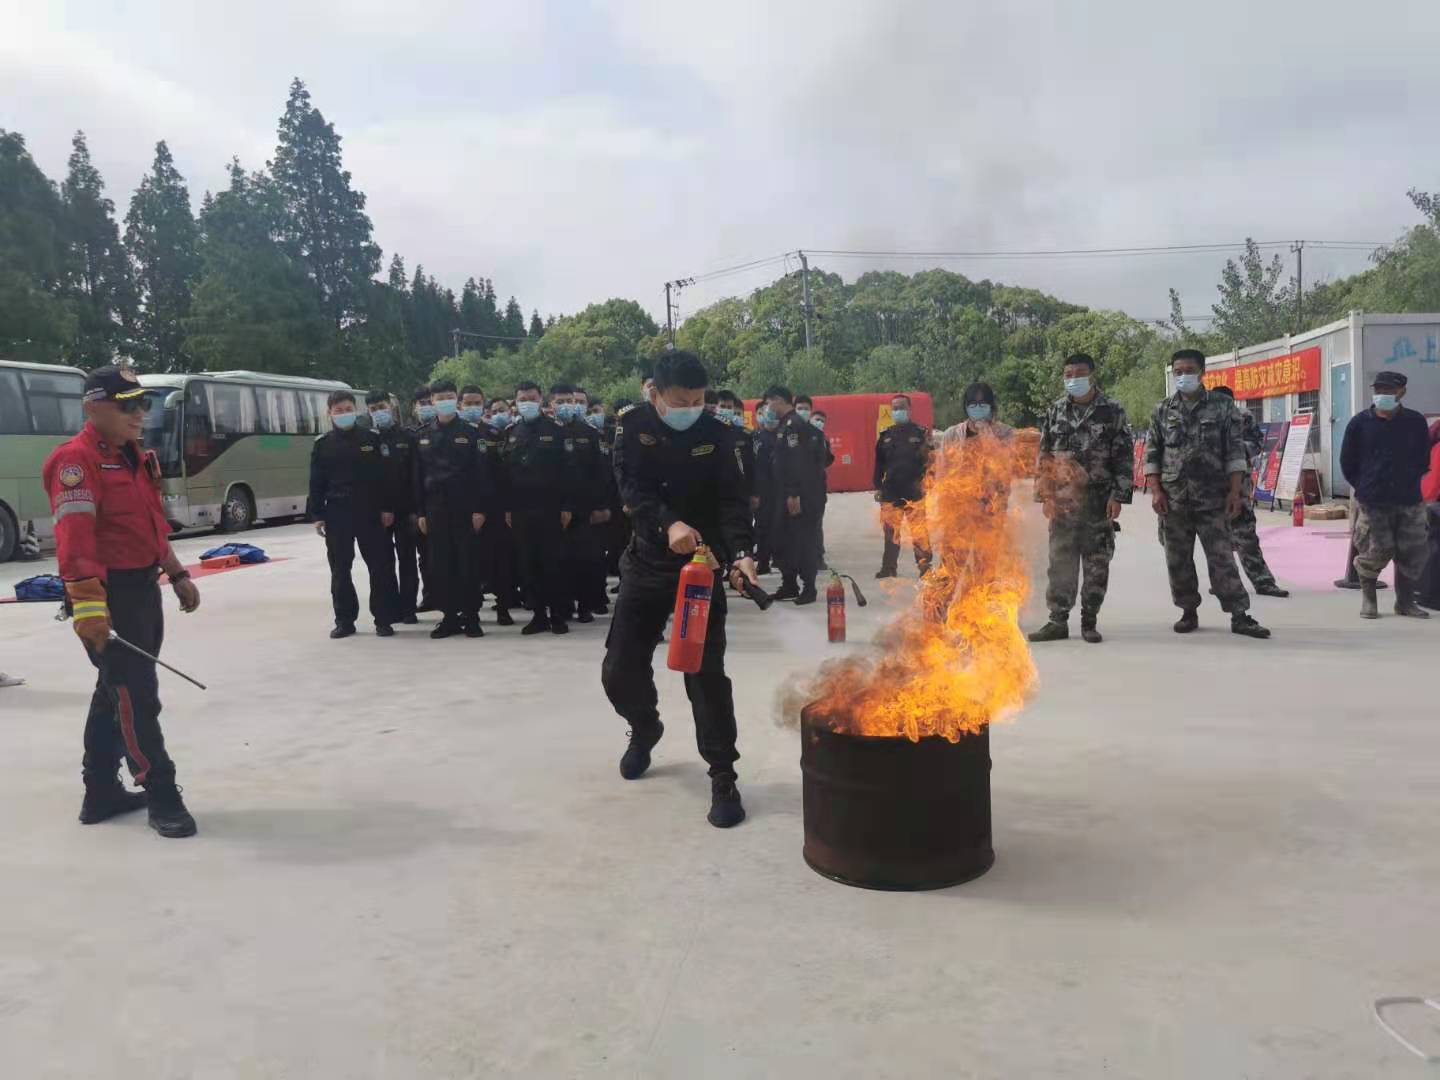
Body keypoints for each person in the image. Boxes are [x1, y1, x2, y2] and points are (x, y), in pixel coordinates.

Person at [43, 364, 201, 838]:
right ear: (94, 407)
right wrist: (89, 607)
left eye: (142, 404)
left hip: (143, 590)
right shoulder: (75, 462)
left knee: (114, 692)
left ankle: (100, 792)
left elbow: (150, 524)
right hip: (108, 597)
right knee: (136, 698)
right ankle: (162, 793)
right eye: (126, 405)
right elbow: (75, 541)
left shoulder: (136, 457)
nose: (139, 414)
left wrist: (176, 572)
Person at [601, 350, 758, 828]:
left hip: (701, 571)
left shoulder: (721, 434)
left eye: (698, 400)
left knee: (705, 675)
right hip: (648, 563)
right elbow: (632, 489)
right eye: (680, 401)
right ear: (655, 394)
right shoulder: (632, 427)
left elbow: (732, 502)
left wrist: (741, 555)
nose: (691, 409)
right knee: (619, 670)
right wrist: (668, 524)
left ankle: (723, 774)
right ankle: (644, 726)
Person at [1144, 349, 1270, 639]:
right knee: (1177, 559)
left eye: (1189, 370)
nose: (1183, 376)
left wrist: (1235, 492)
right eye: (1178, 371)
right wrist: (1156, 491)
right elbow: (1152, 454)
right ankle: (1188, 611)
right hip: (1174, 499)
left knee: (1222, 557)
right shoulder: (1162, 410)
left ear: (1202, 372)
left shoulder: (1223, 407)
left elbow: (1235, 452)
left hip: (1214, 498)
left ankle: (1239, 614)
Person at [1028, 354, 1134, 645]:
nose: (1073, 379)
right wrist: (1044, 495)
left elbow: (1124, 456)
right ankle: (1057, 621)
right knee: (1060, 563)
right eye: (1068, 374)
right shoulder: (1055, 411)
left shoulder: (1112, 410)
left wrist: (1119, 496)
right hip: (1063, 502)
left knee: (1097, 564)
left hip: (1098, 501)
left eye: (1079, 373)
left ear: (1092, 375)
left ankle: (1090, 621)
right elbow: (1044, 456)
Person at [1339, 370, 1432, 619]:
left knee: (1412, 550)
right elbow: (1347, 462)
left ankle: (1405, 602)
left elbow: (1423, 458)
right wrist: (1364, 486)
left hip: (1409, 499)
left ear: (1402, 392)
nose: (1382, 394)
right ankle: (1369, 601)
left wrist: (1409, 479)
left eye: (1389, 390)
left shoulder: (1415, 422)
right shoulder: (1360, 423)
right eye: (1379, 390)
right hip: (1373, 500)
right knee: (1375, 549)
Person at [310, 390, 401, 639]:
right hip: (337, 513)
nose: (344, 414)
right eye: (338, 410)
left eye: (348, 409)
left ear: (356, 410)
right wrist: (317, 514)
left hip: (370, 512)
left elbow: (385, 478)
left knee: (379, 567)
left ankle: (383, 619)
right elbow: (316, 482)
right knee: (340, 569)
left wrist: (387, 508)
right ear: (329, 413)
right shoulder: (323, 444)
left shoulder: (371, 438)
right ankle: (344, 620)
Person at [414, 379, 493, 638]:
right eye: (440, 397)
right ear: (432, 401)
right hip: (435, 509)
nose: (444, 401)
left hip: (465, 508)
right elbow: (417, 476)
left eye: (449, 396)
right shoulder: (423, 435)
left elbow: (481, 474)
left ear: (456, 400)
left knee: (467, 563)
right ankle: (449, 617)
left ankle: (471, 617)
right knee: (441, 565)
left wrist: (480, 509)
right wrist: (421, 512)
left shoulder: (471, 433)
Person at [505, 381, 578, 635]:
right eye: (522, 398)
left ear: (541, 400)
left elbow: (569, 471)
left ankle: (558, 615)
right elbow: (506, 473)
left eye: (532, 398)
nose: (527, 402)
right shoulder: (512, 432)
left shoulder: (556, 430)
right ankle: (538, 615)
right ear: (516, 402)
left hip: (551, 507)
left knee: (553, 563)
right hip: (521, 509)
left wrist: (567, 505)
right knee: (528, 564)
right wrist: (508, 508)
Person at [1209, 385, 1288, 598]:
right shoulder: (1204, 420)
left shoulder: (1243, 417)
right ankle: (1222, 582)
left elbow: (1257, 443)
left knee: (1245, 534)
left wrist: (1234, 449)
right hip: (1210, 487)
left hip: (1239, 485)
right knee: (1217, 538)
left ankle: (1263, 582)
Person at [766, 386, 827, 604]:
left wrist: (793, 493)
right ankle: (789, 584)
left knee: (802, 541)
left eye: (769, 403)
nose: (768, 408)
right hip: (784, 493)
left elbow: (797, 462)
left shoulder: (794, 426)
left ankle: (809, 587)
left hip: (797, 495)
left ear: (778, 400)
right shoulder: (786, 425)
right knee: (782, 540)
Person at [555, 383, 610, 623]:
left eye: (573, 401)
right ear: (551, 404)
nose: (568, 406)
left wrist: (601, 506)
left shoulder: (589, 432)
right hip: (555, 507)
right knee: (560, 560)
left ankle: (586, 605)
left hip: (584, 507)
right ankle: (564, 604)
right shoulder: (549, 430)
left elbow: (601, 473)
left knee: (586, 559)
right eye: (561, 401)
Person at [365, 390, 420, 625]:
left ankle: (408, 608)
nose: (379, 412)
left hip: (405, 510)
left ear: (392, 406)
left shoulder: (408, 436)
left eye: (382, 407)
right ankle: (389, 609)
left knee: (407, 560)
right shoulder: (368, 439)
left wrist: (417, 509)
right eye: (373, 409)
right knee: (383, 563)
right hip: (378, 512)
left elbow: (416, 475)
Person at [873, 393, 933, 580]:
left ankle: (925, 567)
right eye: (895, 408)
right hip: (891, 491)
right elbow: (878, 464)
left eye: (901, 407)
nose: (898, 411)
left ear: (909, 409)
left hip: (914, 491)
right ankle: (888, 567)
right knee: (891, 532)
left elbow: (930, 462)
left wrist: (929, 483)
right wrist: (878, 487)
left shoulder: (920, 433)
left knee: (919, 532)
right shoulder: (885, 436)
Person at [409, 386, 438, 613]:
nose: (426, 407)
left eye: (430, 402)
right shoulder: (412, 434)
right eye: (422, 404)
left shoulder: (442, 430)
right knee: (424, 555)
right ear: (414, 408)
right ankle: (430, 595)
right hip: (419, 505)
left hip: (440, 502)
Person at [752, 402, 780, 574]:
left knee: (780, 526)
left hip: (781, 488)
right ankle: (763, 562)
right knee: (763, 526)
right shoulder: (757, 438)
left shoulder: (783, 436)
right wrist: (755, 492)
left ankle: (780, 559)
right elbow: (754, 468)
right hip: (763, 490)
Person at [1418, 418, 1440, 610]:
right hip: (1434, 502)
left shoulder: (1433, 443)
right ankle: (1430, 597)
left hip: (1429, 500)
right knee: (1435, 550)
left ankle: (1424, 593)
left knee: (1431, 547)